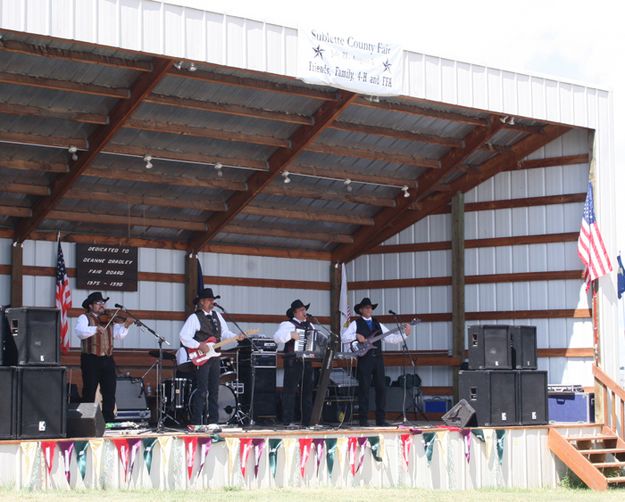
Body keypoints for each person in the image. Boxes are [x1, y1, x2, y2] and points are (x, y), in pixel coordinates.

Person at [178, 288, 244, 426]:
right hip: (202, 357)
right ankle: (196, 422)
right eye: (209, 300)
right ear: (201, 302)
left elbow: (225, 333)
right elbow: (184, 337)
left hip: (215, 356)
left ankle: (213, 421)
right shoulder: (194, 317)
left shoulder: (218, 316)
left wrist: (236, 337)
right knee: (202, 390)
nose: (212, 302)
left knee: (214, 389)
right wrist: (199, 344)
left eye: (213, 300)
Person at [341, 297, 411, 427]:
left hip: (378, 358)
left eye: (370, 307)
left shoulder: (377, 324)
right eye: (366, 307)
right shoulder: (356, 324)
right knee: (364, 389)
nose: (369, 309)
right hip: (364, 359)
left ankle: (380, 419)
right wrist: (356, 336)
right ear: (361, 310)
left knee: (381, 389)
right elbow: (344, 337)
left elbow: (390, 338)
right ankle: (363, 420)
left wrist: (405, 334)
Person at [75, 292, 134, 422]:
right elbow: (80, 332)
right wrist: (95, 329)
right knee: (89, 390)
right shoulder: (84, 317)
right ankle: (86, 419)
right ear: (90, 306)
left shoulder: (109, 318)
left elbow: (118, 335)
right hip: (90, 358)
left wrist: (126, 326)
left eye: (103, 302)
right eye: (98, 303)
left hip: (107, 358)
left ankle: (108, 419)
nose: (102, 305)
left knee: (109, 390)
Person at [273, 299, 315, 429]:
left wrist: (314, 350)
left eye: (305, 309)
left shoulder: (310, 325)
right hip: (292, 361)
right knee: (289, 392)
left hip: (307, 361)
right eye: (301, 310)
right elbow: (277, 338)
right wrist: (290, 335)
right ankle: (288, 421)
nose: (304, 312)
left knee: (307, 392)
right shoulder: (287, 324)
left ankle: (307, 422)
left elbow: (314, 339)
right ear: (294, 312)